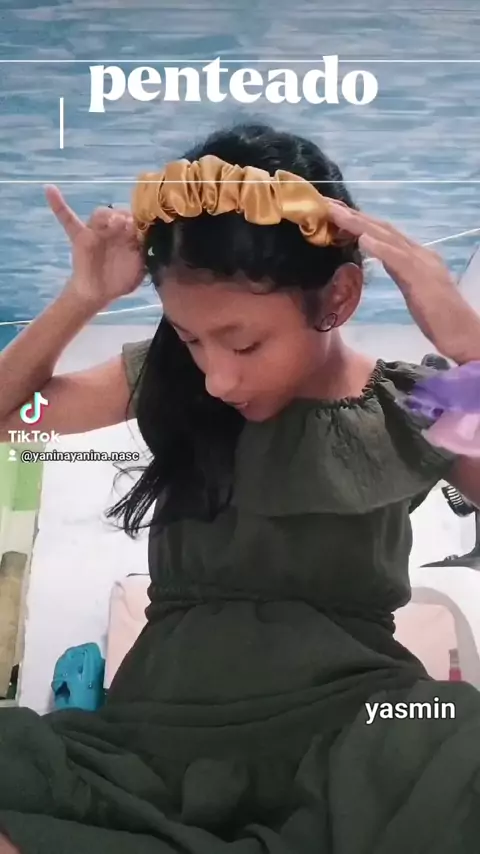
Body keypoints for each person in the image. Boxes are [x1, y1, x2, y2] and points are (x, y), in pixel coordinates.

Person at [0, 123, 480, 854]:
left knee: (455, 733)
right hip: (154, 740)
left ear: (339, 297)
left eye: (244, 342)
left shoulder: (422, 402)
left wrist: (467, 344)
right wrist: (81, 298)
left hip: (364, 727)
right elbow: (12, 418)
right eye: (191, 339)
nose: (217, 378)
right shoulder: (163, 379)